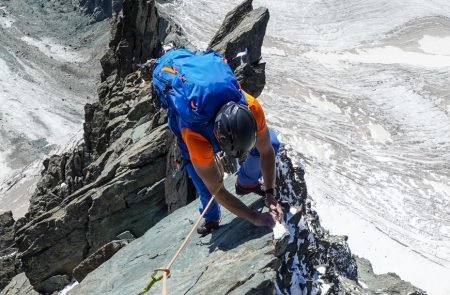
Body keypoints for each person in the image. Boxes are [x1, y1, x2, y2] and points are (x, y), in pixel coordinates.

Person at [153, 49, 284, 235]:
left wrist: (271, 193)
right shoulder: (195, 135)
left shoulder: (252, 107)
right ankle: (212, 217)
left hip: (205, 89)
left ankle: (246, 183)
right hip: (187, 114)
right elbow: (216, 189)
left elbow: (267, 151)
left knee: (272, 142)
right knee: (202, 181)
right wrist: (254, 217)